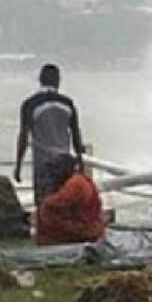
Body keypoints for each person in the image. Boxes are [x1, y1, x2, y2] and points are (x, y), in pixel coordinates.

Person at [14, 64, 85, 207]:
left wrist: (18, 166)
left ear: (40, 80)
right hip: (66, 163)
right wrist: (80, 161)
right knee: (66, 204)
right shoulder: (68, 103)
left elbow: (23, 137)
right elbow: (76, 134)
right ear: (58, 81)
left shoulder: (30, 104)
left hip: (44, 165)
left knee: (44, 205)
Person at [34, 155, 105, 246]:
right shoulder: (79, 179)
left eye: (56, 169)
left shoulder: (76, 183)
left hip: (86, 230)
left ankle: (51, 243)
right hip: (89, 226)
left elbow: (54, 203)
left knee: (45, 211)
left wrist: (46, 197)